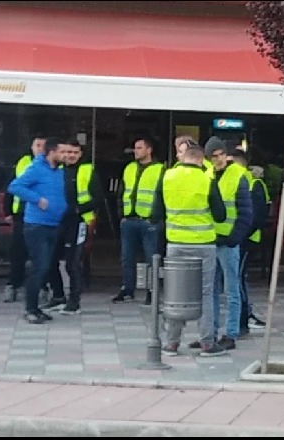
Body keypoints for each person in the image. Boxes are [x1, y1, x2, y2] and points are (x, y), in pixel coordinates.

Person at [152, 144, 227, 357]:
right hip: (204, 244)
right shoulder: (207, 180)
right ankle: (207, 343)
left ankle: (172, 343)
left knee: (176, 293)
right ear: (202, 160)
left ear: (183, 157)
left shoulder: (167, 177)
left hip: (176, 243)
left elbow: (156, 213)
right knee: (205, 293)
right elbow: (220, 215)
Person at [7, 137, 68, 324]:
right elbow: (14, 186)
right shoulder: (36, 168)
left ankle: (36, 309)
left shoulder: (58, 171)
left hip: (53, 224)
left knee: (46, 266)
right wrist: (37, 199)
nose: (65, 155)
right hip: (37, 226)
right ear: (51, 153)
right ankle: (30, 309)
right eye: (62, 152)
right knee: (39, 267)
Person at [201, 138, 253, 351]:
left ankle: (230, 334)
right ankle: (210, 334)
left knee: (232, 290)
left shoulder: (238, 176)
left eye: (220, 154)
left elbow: (246, 213)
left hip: (228, 242)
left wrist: (235, 237)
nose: (218, 159)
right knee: (210, 291)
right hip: (210, 241)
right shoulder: (205, 176)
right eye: (213, 156)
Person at [43, 139, 103, 315]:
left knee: (72, 263)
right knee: (50, 260)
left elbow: (98, 198)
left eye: (74, 153)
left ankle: (74, 302)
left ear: (80, 154)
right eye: (67, 152)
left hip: (79, 222)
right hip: (57, 221)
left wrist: (78, 210)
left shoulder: (87, 170)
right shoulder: (56, 170)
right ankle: (58, 297)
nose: (70, 156)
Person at [113, 136, 165, 305]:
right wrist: (121, 214)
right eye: (135, 148)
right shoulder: (129, 168)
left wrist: (156, 218)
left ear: (149, 150)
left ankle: (152, 291)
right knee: (127, 258)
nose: (135, 151)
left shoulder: (160, 169)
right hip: (129, 219)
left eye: (139, 148)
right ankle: (127, 289)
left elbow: (162, 196)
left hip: (149, 221)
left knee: (152, 258)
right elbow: (122, 192)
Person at [2, 135, 46, 303]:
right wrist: (7, 211)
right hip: (21, 214)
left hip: (42, 215)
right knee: (17, 251)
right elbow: (10, 188)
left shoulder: (52, 165)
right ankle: (13, 285)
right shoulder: (22, 163)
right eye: (37, 145)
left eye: (43, 145)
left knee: (39, 253)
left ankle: (42, 287)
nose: (40, 148)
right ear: (32, 147)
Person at [230, 150, 269, 335]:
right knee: (237, 278)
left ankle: (245, 317)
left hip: (246, 239)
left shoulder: (254, 184)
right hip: (235, 238)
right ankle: (243, 316)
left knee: (238, 278)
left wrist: (240, 234)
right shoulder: (235, 182)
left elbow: (258, 216)